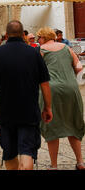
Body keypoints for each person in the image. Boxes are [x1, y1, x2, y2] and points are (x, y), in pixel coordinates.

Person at [0, 20, 53, 171]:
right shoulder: (34, 54)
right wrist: (48, 107)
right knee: (27, 153)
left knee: (9, 154)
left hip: (6, 113)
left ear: (6, 35)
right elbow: (45, 84)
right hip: (28, 112)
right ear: (23, 35)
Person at [37, 27, 85, 170]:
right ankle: (80, 162)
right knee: (73, 123)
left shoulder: (40, 50)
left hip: (50, 90)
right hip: (71, 88)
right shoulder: (66, 48)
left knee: (52, 126)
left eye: (39, 38)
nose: (38, 40)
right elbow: (79, 67)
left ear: (44, 38)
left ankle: (54, 165)